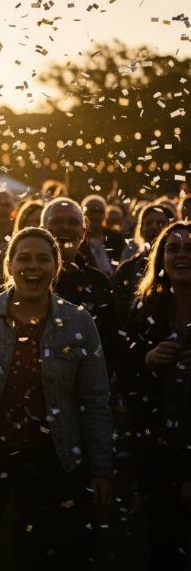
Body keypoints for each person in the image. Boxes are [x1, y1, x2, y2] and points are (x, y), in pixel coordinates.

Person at [0, 227, 114, 571]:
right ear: (9, 265)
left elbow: (94, 399)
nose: (33, 267)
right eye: (24, 259)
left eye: (43, 259)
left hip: (51, 455)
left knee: (42, 552)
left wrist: (101, 468)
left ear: (56, 267)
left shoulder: (78, 322)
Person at [119, 221, 191, 571]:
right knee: (163, 536)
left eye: (189, 248)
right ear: (160, 258)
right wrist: (147, 360)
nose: (182, 255)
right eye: (172, 249)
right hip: (157, 443)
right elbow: (124, 370)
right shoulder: (145, 308)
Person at [43, 197, 119, 368]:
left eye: (73, 222)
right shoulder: (30, 279)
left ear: (83, 233)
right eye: (57, 221)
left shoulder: (98, 282)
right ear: (43, 229)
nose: (65, 227)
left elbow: (111, 340)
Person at [112, 203, 175, 324]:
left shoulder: (180, 265)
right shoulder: (126, 269)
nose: (154, 227)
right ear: (140, 230)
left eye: (160, 223)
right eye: (148, 223)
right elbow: (119, 309)